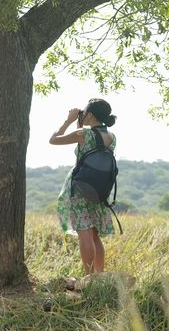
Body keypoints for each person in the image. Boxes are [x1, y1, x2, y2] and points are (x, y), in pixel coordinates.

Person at [49, 98, 117, 275]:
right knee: (95, 236)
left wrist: (69, 120)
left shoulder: (83, 134)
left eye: (85, 112)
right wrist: (80, 123)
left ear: (91, 115)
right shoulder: (111, 137)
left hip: (80, 188)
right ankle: (98, 275)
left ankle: (88, 277)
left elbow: (54, 140)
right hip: (100, 190)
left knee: (84, 234)